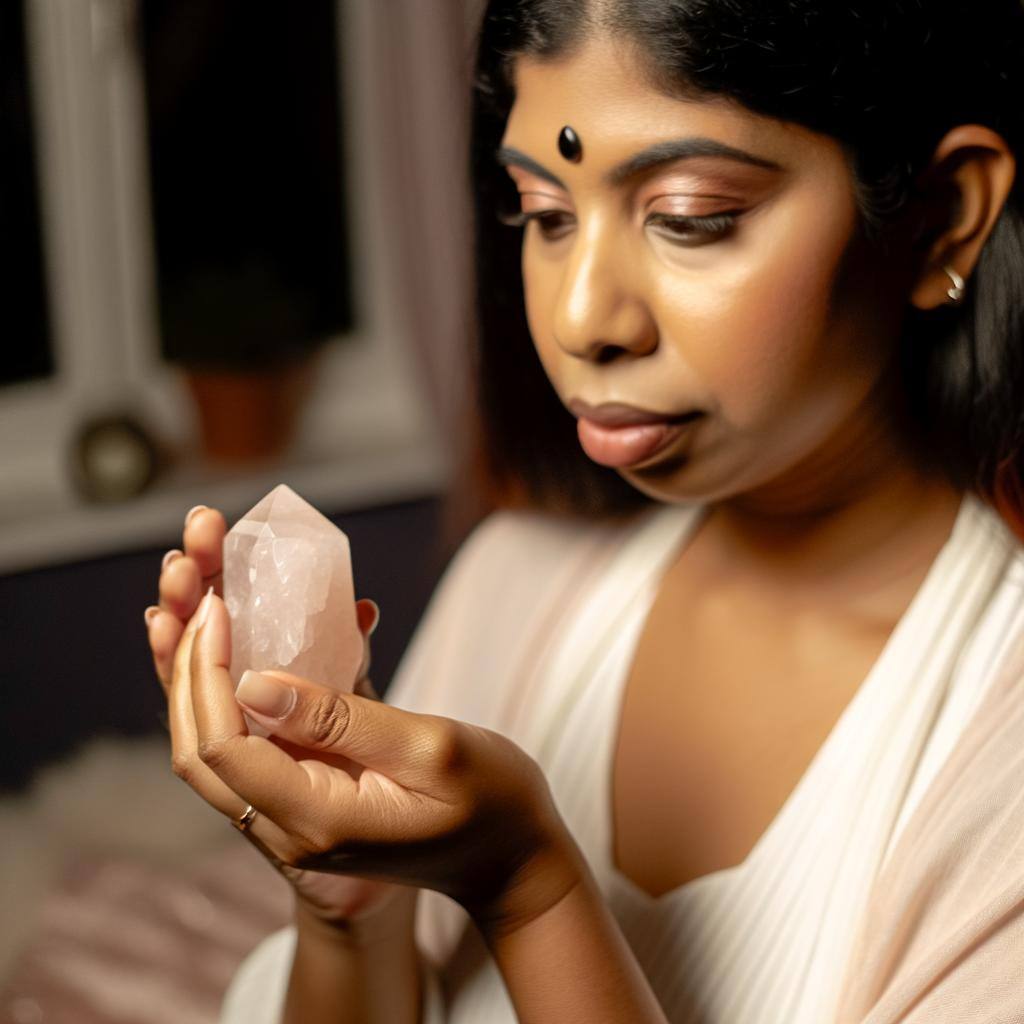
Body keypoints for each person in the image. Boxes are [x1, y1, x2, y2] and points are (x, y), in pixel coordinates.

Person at [145, 1, 1024, 1021]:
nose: (577, 318)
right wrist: (350, 911)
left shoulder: (995, 749)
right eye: (544, 215)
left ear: (943, 213)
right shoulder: (512, 583)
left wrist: (528, 890)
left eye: (688, 216)